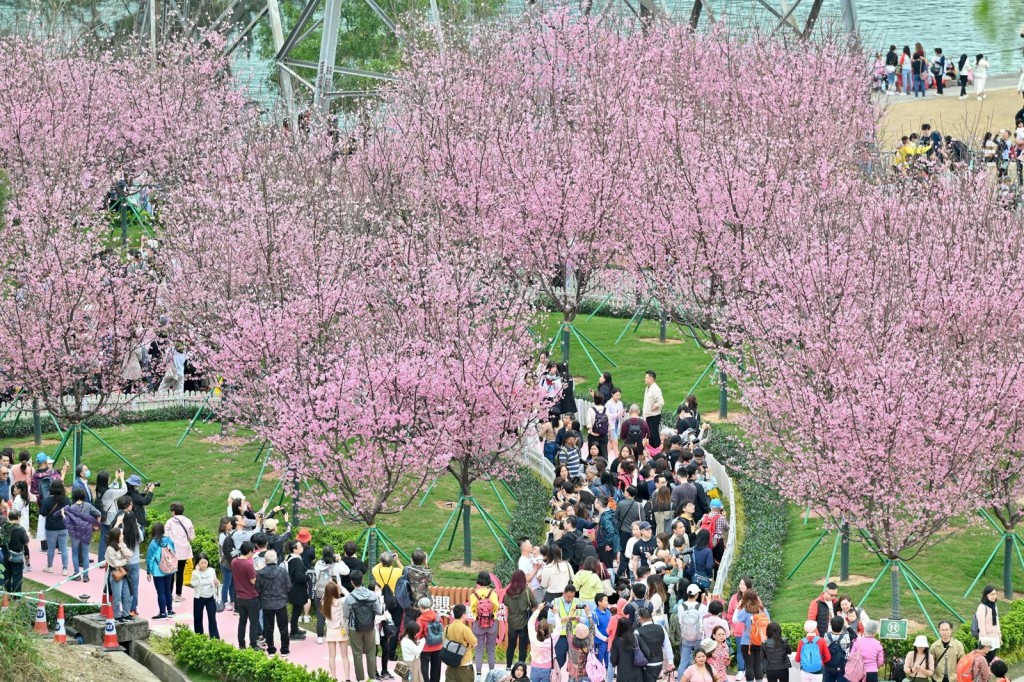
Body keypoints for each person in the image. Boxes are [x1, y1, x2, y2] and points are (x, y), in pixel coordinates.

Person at [343, 570, 383, 680]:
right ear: (363, 580)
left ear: (352, 582)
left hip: (354, 629)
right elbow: (379, 611)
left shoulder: (349, 598)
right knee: (371, 653)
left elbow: (346, 615)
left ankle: (360, 679)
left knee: (357, 654)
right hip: (370, 628)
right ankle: (373, 677)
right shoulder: (372, 595)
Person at [256, 548, 292, 657]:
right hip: (280, 602)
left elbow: (257, 589)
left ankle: (271, 649)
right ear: (276, 559)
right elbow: (289, 586)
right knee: (283, 627)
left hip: (267, 603)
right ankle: (284, 649)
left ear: (265, 560)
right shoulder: (282, 571)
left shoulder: (260, 573)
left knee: (268, 627)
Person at [313, 545, 351, 644]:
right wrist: (340, 560)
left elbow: (316, 576)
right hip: (334, 592)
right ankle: (336, 632)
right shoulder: (336, 565)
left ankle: (320, 636)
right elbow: (347, 571)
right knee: (336, 612)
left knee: (320, 614)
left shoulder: (318, 564)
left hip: (321, 592)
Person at [63, 486, 101, 581]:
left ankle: (77, 574)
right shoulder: (88, 505)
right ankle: (86, 576)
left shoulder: (71, 507)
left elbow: (68, 520)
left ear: (74, 496)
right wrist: (96, 524)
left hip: (75, 533)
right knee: (85, 554)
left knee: (75, 553)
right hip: (86, 531)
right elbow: (98, 513)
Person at [375, 551, 405, 666]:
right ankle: (391, 653)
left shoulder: (377, 570)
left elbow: (375, 566)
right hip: (396, 600)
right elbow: (405, 570)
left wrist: (383, 559)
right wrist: (397, 560)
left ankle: (380, 649)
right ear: (391, 561)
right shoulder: (396, 571)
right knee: (395, 626)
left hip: (382, 601)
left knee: (381, 624)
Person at [115, 496, 144, 616]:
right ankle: (133, 608)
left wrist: (117, 523)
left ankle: (125, 608)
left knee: (124, 587)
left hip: (123, 562)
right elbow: (141, 539)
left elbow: (112, 536)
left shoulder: (122, 531)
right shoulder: (137, 531)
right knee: (135, 587)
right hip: (135, 562)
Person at [470, 571, 501, 678]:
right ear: (489, 580)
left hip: (478, 623)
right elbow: (496, 606)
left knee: (479, 649)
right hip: (492, 622)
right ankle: (492, 672)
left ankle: (478, 674)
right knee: (491, 649)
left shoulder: (474, 595)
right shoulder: (493, 594)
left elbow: (472, 609)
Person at [734, 589, 768, 682]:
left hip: (746, 642)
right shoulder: (762, 610)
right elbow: (769, 621)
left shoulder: (745, 611)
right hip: (758, 641)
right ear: (756, 597)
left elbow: (734, 620)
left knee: (749, 666)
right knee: (758, 665)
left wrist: (737, 608)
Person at [505, 569, 537, 668]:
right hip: (524, 622)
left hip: (512, 623)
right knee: (523, 647)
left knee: (511, 646)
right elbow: (534, 604)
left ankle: (508, 666)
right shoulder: (527, 591)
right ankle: (521, 668)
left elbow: (505, 603)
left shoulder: (508, 592)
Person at [322, 581, 353, 681]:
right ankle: (347, 678)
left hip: (330, 631)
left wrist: (329, 587)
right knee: (345, 656)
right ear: (335, 590)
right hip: (341, 630)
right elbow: (350, 596)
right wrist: (341, 587)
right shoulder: (341, 601)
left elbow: (325, 595)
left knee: (332, 656)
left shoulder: (324, 603)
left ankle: (334, 678)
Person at [233, 541, 260, 650]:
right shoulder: (248, 565)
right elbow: (253, 581)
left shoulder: (234, 561)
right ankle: (253, 644)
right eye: (253, 552)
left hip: (239, 596)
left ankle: (241, 644)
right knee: (253, 622)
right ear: (249, 552)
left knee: (242, 621)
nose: (253, 553)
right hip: (251, 596)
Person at [146, 521, 177, 619]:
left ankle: (163, 613)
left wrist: (148, 571)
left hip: (158, 571)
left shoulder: (153, 543)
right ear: (163, 530)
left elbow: (150, 559)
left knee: (161, 592)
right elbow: (173, 552)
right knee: (168, 590)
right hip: (169, 569)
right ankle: (170, 611)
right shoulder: (168, 540)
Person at [166, 502, 196, 602]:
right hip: (184, 551)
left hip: (172, 551)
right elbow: (192, 537)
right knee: (180, 573)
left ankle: (169, 594)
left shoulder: (169, 522)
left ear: (173, 512)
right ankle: (178, 595)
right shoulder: (188, 521)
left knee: (171, 573)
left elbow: (165, 536)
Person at [39, 479, 70, 575]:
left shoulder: (47, 500)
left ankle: (50, 566)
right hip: (63, 526)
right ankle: (65, 569)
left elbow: (43, 513)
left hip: (51, 527)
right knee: (64, 548)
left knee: (51, 548)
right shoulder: (66, 500)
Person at [104, 526, 134, 622]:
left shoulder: (121, 545)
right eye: (121, 534)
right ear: (117, 536)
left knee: (127, 594)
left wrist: (122, 548)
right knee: (117, 596)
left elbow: (130, 554)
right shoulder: (110, 549)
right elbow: (114, 563)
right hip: (115, 573)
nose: (122, 536)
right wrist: (125, 560)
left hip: (124, 573)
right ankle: (117, 615)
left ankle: (126, 614)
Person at [95, 470, 125, 565]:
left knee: (103, 539)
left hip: (104, 517)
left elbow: (109, 488)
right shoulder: (110, 493)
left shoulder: (99, 489)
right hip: (111, 518)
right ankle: (111, 559)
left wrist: (116, 479)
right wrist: (122, 478)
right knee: (113, 539)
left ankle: (101, 560)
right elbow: (124, 490)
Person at [444, 603, 478, 682]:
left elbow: (444, 642)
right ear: (463, 615)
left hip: (450, 665)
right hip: (464, 664)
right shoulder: (465, 629)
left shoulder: (447, 627)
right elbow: (475, 643)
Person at [284, 539, 310, 641]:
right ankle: (293, 633)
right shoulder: (297, 561)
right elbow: (299, 577)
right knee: (296, 611)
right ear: (295, 549)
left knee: (296, 610)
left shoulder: (289, 557)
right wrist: (308, 577)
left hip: (292, 588)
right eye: (300, 546)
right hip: (297, 589)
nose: (302, 547)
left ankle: (295, 629)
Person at [678, 583, 707, 672]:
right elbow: (704, 622)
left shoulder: (681, 606)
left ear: (687, 594)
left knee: (683, 662)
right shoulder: (702, 607)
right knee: (699, 661)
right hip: (698, 637)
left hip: (686, 636)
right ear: (697, 594)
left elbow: (680, 621)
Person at [191, 553, 221, 639]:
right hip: (199, 598)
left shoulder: (211, 570)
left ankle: (214, 636)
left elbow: (216, 582)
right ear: (197, 564)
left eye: (205, 562)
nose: (204, 565)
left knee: (212, 618)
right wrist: (196, 572)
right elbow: (194, 583)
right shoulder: (195, 572)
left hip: (210, 597)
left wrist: (217, 583)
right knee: (197, 618)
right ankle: (199, 636)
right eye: (202, 563)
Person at [635, 607, 668, 682]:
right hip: (659, 661)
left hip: (645, 663)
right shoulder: (661, 628)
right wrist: (671, 661)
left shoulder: (637, 632)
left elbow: (635, 650)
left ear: (640, 618)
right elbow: (667, 645)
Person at [2, 507, 29, 593]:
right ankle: (16, 597)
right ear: (18, 518)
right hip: (17, 556)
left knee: (7, 575)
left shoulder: (3, 527)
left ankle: (6, 595)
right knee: (17, 577)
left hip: (6, 555)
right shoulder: (20, 529)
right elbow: (26, 542)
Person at [418, 597, 445, 682]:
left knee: (424, 667)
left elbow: (418, 634)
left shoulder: (421, 619)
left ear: (421, 607)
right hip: (438, 646)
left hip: (426, 647)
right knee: (436, 668)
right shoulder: (437, 617)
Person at [528, 604, 556, 682]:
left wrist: (538, 610)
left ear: (537, 628)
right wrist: (556, 613)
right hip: (547, 667)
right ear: (548, 629)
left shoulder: (533, 636)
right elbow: (559, 628)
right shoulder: (552, 638)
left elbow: (530, 623)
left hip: (534, 666)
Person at [611, 617, 644, 682]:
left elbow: (613, 661)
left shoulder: (616, 641)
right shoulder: (636, 637)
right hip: (637, 672)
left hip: (623, 675)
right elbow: (646, 651)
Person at [823, 616, 851, 682]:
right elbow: (847, 652)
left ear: (831, 625)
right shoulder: (846, 636)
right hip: (841, 667)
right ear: (842, 626)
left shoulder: (826, 635)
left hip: (828, 665)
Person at [976, 585, 1001, 659]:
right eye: (991, 594)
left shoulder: (994, 606)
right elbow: (981, 625)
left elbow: (997, 621)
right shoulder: (982, 607)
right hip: (986, 638)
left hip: (995, 637)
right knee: (987, 659)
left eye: (995, 594)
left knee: (992, 659)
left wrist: (999, 635)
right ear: (986, 595)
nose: (994, 596)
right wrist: (985, 640)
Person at [642, 371, 664, 449]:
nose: (645, 379)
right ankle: (652, 451)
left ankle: (658, 451)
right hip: (648, 416)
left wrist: (654, 407)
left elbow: (661, 402)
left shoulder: (656, 389)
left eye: (646, 378)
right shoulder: (648, 388)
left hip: (654, 416)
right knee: (649, 435)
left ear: (651, 379)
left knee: (654, 435)